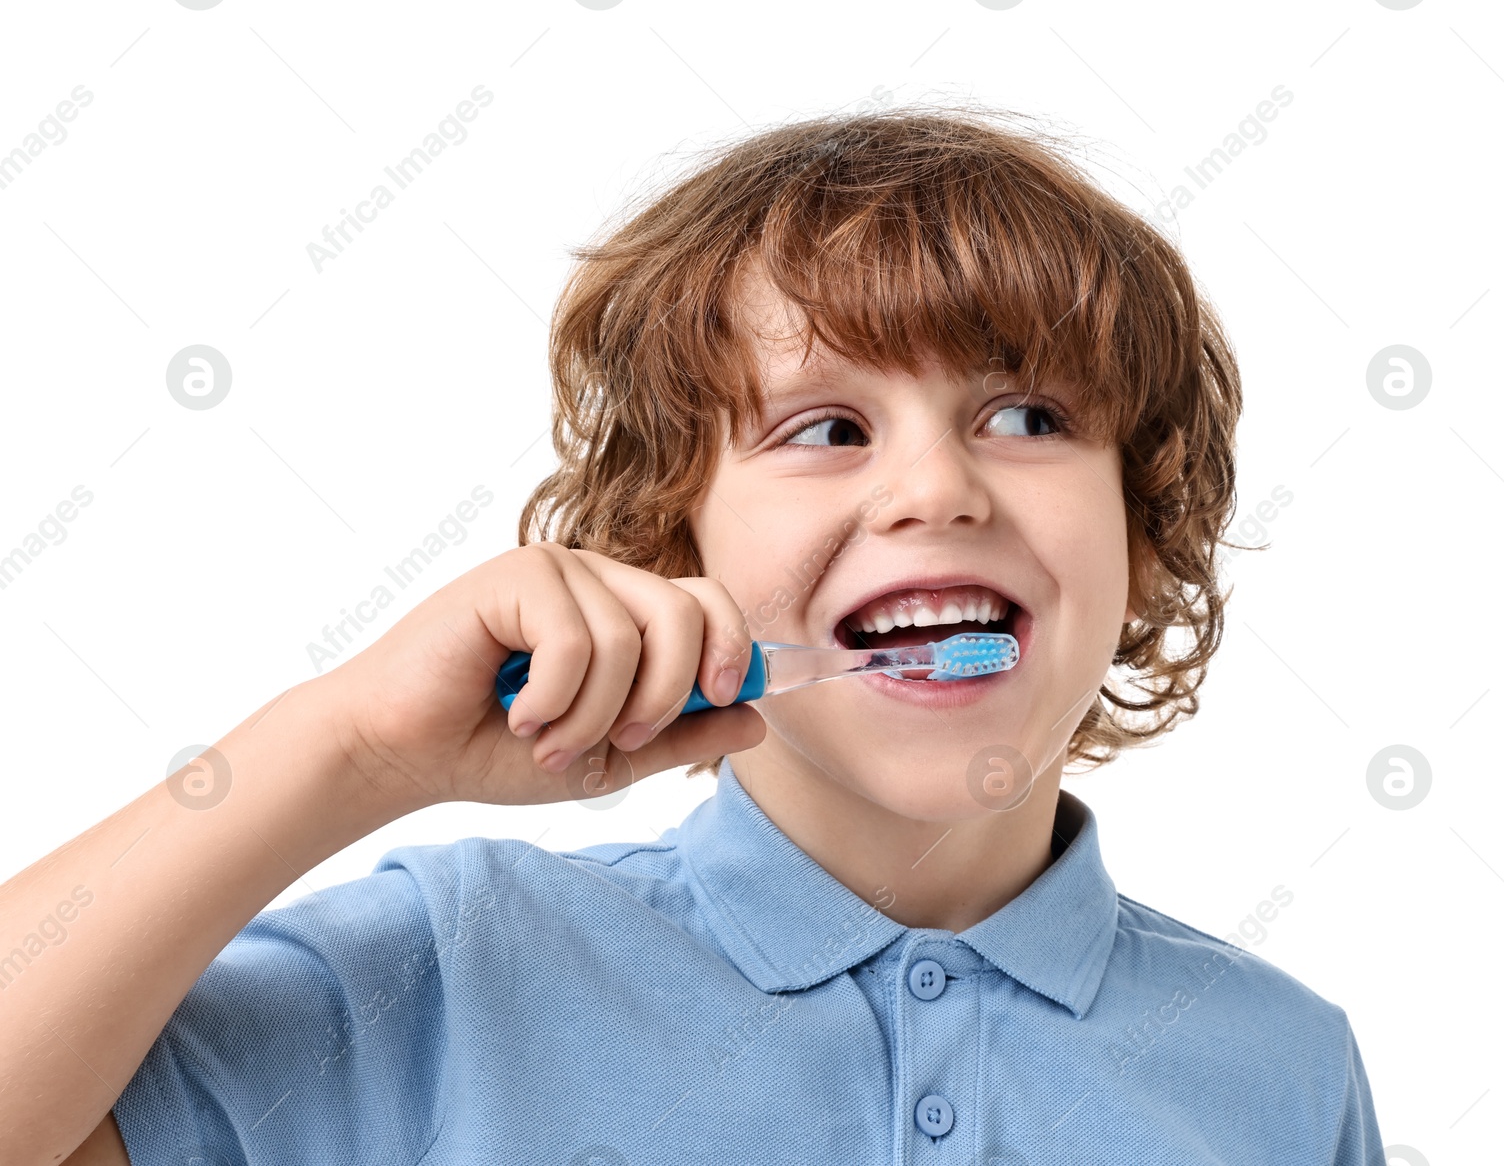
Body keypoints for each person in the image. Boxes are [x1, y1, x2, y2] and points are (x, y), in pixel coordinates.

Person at [2, 104, 1385, 1164]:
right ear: (671, 553)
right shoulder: (448, 971)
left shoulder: (1283, 1067)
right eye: (826, 429)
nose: (936, 490)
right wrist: (350, 746)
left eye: (1028, 419)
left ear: (1142, 545)